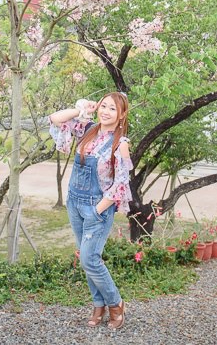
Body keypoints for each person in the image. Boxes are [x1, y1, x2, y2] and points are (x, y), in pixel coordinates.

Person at [48, 92, 133, 330]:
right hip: (74, 203)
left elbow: (121, 184)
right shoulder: (87, 129)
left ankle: (116, 304)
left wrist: (98, 209)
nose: (106, 111)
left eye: (112, 109)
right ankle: (98, 306)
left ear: (122, 114)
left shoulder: (121, 144)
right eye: (103, 106)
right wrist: (80, 108)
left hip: (98, 208)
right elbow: (55, 119)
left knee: (89, 258)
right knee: (87, 258)